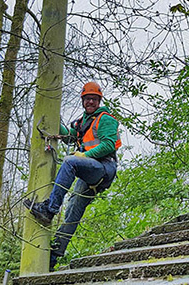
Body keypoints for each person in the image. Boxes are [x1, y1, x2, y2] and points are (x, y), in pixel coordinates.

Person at [23, 81, 121, 270]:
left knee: (70, 161)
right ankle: (54, 256)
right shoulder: (82, 122)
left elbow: (109, 145)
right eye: (87, 98)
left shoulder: (105, 119)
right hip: (88, 173)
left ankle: (49, 210)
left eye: (94, 98)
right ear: (83, 100)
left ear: (99, 100)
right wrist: (54, 122)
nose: (90, 101)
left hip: (103, 168)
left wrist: (84, 155)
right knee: (72, 214)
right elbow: (70, 137)